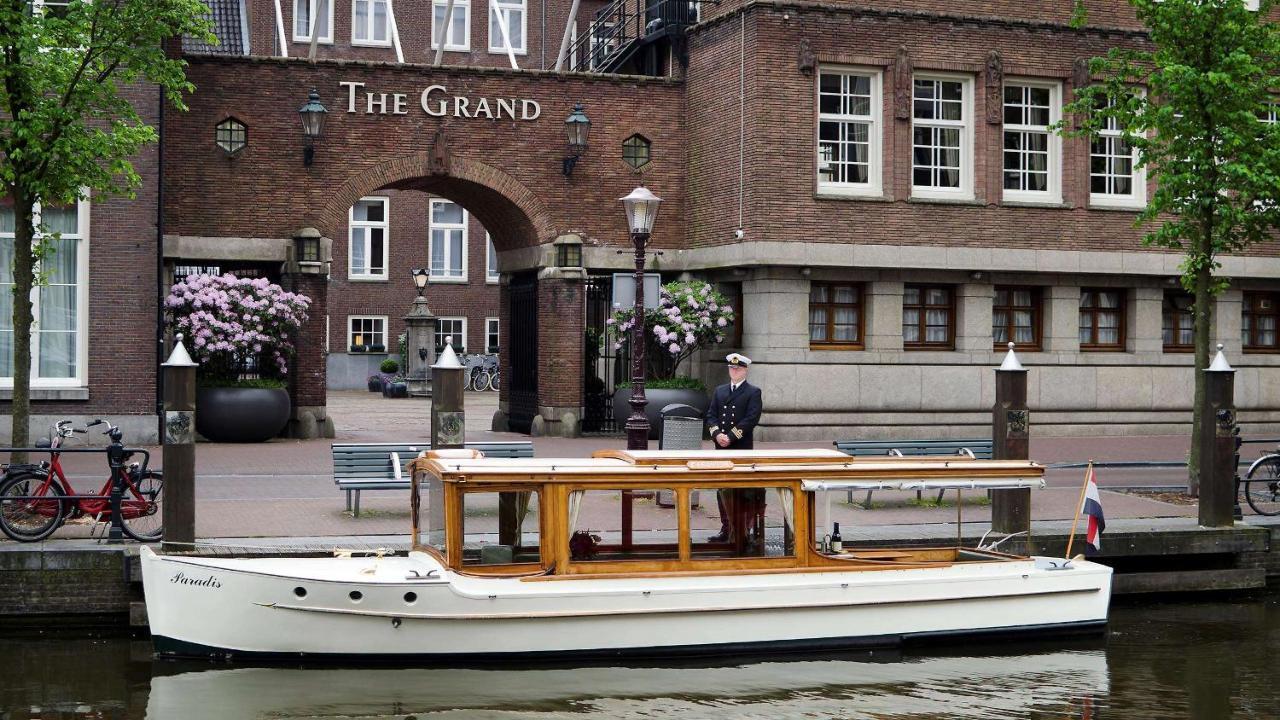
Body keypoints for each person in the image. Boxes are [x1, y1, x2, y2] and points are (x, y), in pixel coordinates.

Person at [704, 353, 763, 542]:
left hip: (740, 447)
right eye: (731, 368)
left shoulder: (753, 392)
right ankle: (726, 527)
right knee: (722, 487)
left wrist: (730, 436)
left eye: (737, 368)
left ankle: (742, 530)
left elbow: (751, 419)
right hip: (721, 448)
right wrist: (716, 435)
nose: (734, 371)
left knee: (740, 488)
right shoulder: (720, 391)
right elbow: (711, 415)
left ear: (745, 370)